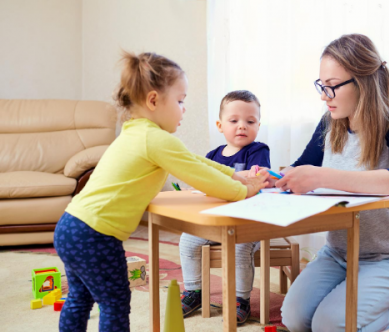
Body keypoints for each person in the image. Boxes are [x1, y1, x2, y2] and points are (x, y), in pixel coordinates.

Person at [53, 52, 268, 332]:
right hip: (95, 235)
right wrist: (244, 190)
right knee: (115, 302)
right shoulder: (156, 139)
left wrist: (233, 173)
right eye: (180, 101)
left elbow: (195, 160)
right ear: (154, 100)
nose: (184, 109)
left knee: (80, 298)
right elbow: (204, 178)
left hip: (70, 226)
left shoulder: (136, 131)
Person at [277, 34, 389, 331]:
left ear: (362, 82)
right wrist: (278, 176)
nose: (323, 95)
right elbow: (301, 166)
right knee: (294, 319)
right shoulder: (329, 123)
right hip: (338, 253)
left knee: (328, 326)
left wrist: (320, 176)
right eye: (321, 86)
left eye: (331, 86)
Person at [179, 90, 270, 325]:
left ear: (258, 125)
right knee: (187, 240)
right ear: (220, 125)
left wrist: (255, 175)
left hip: (246, 223)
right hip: (215, 220)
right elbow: (202, 182)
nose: (242, 126)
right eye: (234, 121)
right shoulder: (213, 155)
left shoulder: (258, 151)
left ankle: (242, 300)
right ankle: (194, 292)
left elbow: (259, 177)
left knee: (240, 249)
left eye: (250, 121)